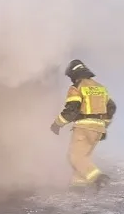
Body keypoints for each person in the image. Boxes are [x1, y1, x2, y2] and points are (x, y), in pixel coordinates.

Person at [49, 59, 116, 191]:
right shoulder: (100, 87)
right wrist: (104, 125)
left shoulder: (77, 88)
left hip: (83, 127)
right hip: (98, 129)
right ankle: (77, 187)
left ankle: (99, 178)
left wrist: (57, 124)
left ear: (74, 74)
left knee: (75, 157)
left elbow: (71, 109)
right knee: (83, 157)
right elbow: (111, 107)